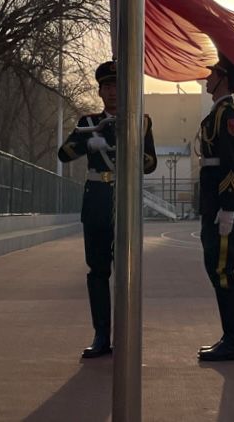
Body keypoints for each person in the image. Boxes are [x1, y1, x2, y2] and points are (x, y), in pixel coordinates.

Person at [57, 61, 157, 358]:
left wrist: (131, 146)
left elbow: (150, 164)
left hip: (125, 199)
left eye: (117, 86)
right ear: (100, 92)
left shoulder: (141, 122)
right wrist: (88, 142)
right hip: (97, 201)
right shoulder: (88, 122)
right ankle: (101, 335)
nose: (113, 92)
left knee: (127, 271)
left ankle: (127, 334)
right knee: (98, 271)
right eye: (107, 87)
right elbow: (63, 154)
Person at [196, 55, 234, 361]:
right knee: (215, 268)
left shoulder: (228, 115)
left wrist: (228, 207)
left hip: (222, 202)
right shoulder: (217, 114)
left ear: (224, 78)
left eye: (212, 74)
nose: (207, 79)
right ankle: (230, 338)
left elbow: (231, 163)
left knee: (223, 270)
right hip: (213, 202)